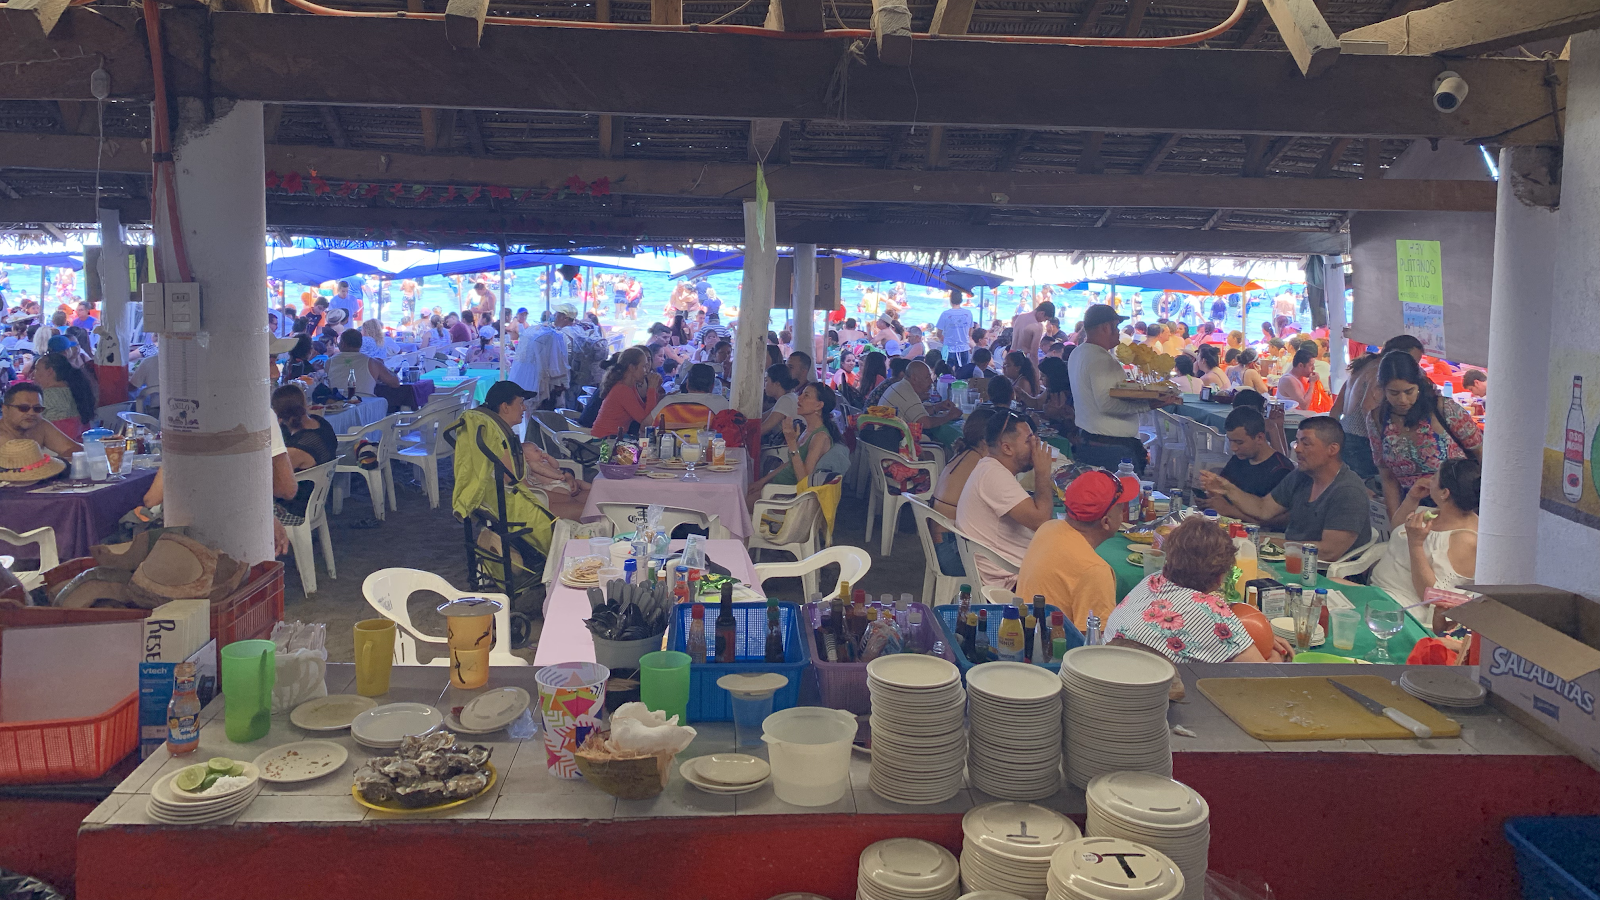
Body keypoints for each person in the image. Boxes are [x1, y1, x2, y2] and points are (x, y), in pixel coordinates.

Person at [1106, 517, 1291, 663]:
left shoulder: (1152, 580)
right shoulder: (1212, 611)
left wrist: (1259, 637)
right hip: (1144, 692)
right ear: (1220, 577)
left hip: (1108, 674)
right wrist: (1276, 655)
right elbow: (1261, 673)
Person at [1200, 416, 1373, 561]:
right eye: (1297, 442)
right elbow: (1263, 509)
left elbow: (1329, 552)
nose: (1297, 449)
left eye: (1306, 444)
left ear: (1332, 449)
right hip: (1293, 554)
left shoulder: (1348, 491)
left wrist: (1269, 541)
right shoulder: (1302, 475)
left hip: (1325, 571)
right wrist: (1227, 488)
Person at [1016, 467, 1138, 631]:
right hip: (1054, 644)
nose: (1123, 513)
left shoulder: (1048, 527)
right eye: (1121, 508)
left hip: (1027, 632)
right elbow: (1094, 641)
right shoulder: (1095, 571)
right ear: (1106, 522)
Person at [1367, 350, 1481, 520]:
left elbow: (1480, 454)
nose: (1402, 400)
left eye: (1409, 391)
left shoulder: (1444, 409)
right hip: (1412, 506)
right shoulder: (1377, 419)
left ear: (1419, 385)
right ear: (1383, 390)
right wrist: (1395, 521)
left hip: (1458, 506)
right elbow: (1387, 477)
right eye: (1394, 393)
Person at [1068, 304, 1179, 475]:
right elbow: (1107, 405)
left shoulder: (1078, 353)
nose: (1119, 331)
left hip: (1092, 441)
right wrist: (1148, 405)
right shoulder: (1101, 359)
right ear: (1106, 327)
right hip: (1111, 447)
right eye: (1116, 326)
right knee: (1123, 492)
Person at [1370, 458, 1480, 628]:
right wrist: (1412, 498)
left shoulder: (1465, 540)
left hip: (1404, 609)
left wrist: (1416, 545)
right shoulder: (1433, 513)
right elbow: (1397, 529)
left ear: (1445, 493)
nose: (1429, 479)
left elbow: (1433, 599)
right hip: (1378, 591)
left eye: (1435, 477)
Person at [450, 382, 556, 556]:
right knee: (584, 506)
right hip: (519, 506)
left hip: (514, 500)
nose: (524, 408)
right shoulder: (500, 441)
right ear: (505, 407)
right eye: (520, 403)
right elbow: (517, 482)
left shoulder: (495, 434)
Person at [955, 410, 1056, 589]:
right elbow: (1042, 521)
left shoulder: (990, 467)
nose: (1036, 445)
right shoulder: (994, 475)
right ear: (1007, 448)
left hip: (1010, 568)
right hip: (1009, 579)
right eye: (1029, 440)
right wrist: (1042, 472)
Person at [749, 383, 850, 501]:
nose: (799, 398)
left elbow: (804, 480)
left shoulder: (820, 437)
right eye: (801, 394)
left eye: (806, 395)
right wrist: (761, 481)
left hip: (788, 497)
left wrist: (792, 444)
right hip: (776, 488)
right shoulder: (808, 430)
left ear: (819, 405)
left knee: (742, 501)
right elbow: (791, 463)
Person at [928, 409, 996, 576]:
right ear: (986, 440)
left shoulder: (965, 454)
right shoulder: (979, 465)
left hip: (941, 546)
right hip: (951, 553)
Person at [1200, 407, 1294, 523]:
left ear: (1259, 438)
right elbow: (1223, 491)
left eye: (1239, 442)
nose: (1234, 448)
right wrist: (1212, 496)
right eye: (1230, 441)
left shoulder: (1281, 470)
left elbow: (1278, 522)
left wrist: (1230, 511)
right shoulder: (1239, 458)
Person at [270, 385, 337, 527]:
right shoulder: (322, 423)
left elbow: (272, 479)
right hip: (317, 503)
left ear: (276, 414)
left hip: (296, 511)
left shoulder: (295, 450)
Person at [882, 360, 962, 447]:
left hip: (887, 440)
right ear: (914, 378)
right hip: (894, 445)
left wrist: (937, 407)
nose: (931, 381)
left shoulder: (902, 386)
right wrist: (950, 416)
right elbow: (926, 423)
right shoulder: (907, 392)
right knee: (945, 445)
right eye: (927, 377)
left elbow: (916, 413)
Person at [588, 346, 661, 437]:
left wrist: (655, 389)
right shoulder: (622, 390)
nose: (646, 371)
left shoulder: (630, 387)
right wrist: (651, 389)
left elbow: (646, 411)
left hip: (615, 437)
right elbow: (645, 421)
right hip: (605, 440)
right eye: (643, 367)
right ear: (632, 368)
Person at [0, 382, 81, 457]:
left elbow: (75, 450)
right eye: (24, 408)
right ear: (5, 409)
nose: (31, 413)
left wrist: (56, 463)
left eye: (37, 408)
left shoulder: (40, 425)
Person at [32, 352, 96, 442]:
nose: (33, 374)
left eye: (36, 369)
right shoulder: (76, 389)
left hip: (55, 445)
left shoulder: (46, 396)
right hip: (80, 442)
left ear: (49, 371)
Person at [326, 329, 400, 396]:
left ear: (342, 344)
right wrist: (383, 367)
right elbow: (395, 383)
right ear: (360, 344)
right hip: (365, 403)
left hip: (337, 403)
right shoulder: (373, 363)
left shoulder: (329, 362)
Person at [649, 363, 729, 421]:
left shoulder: (668, 402)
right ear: (712, 387)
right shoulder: (721, 403)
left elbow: (646, 425)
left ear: (687, 384)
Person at [759, 364, 801, 438]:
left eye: (766, 380)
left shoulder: (786, 400)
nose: (764, 385)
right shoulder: (789, 397)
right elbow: (762, 418)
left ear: (777, 383)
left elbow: (762, 429)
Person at [935, 295, 974, 369]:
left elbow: (938, 333)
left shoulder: (945, 314)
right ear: (961, 300)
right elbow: (970, 332)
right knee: (964, 372)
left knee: (947, 372)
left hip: (949, 348)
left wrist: (943, 339)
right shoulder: (968, 313)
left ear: (950, 300)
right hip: (964, 348)